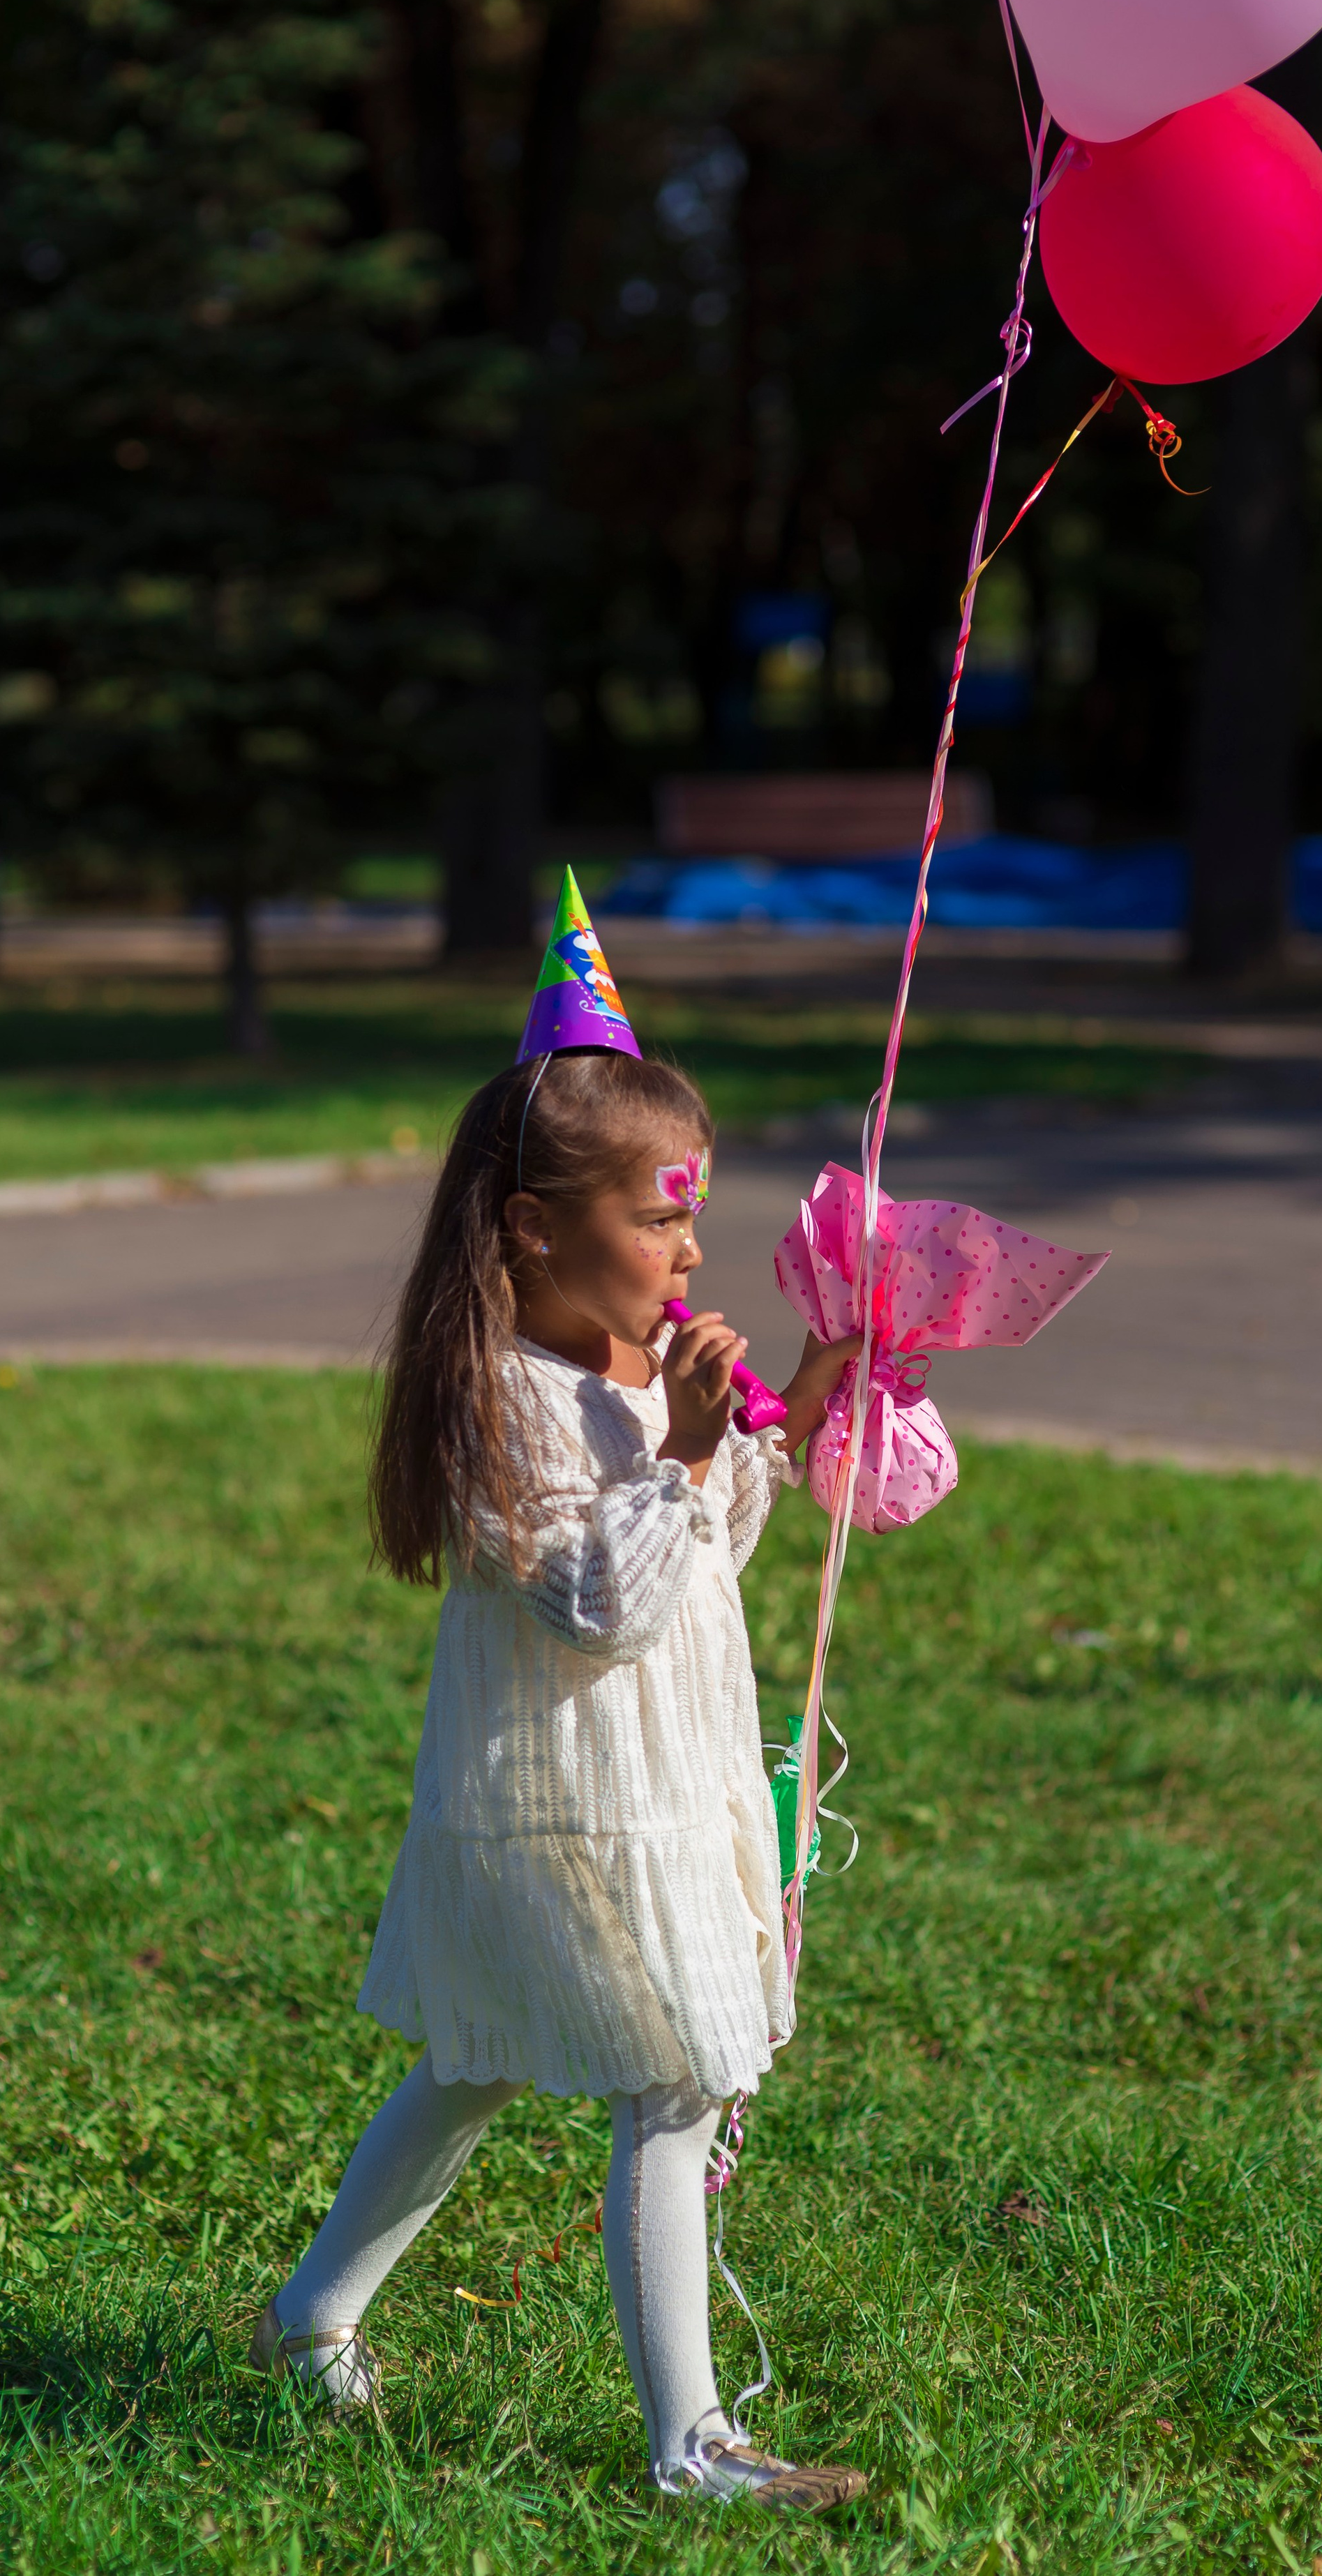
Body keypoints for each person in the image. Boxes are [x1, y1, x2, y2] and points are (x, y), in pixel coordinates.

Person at [249, 878, 865, 2510]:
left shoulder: (627, 1375)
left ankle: (309, 2320)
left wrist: (751, 1429)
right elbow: (595, 1611)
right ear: (533, 1225)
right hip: (564, 1794)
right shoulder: (499, 1400)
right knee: (661, 2076)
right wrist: (668, 1445)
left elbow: (703, 1562)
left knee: (479, 2057)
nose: (686, 1247)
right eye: (658, 1218)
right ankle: (691, 2446)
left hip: (661, 1780)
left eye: (692, 1215)